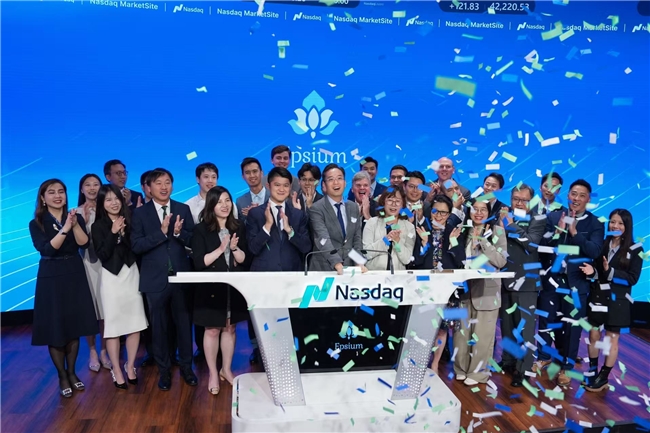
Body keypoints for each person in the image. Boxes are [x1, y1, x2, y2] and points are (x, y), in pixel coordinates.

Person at [28, 179, 99, 398]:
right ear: (43, 198)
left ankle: (72, 372)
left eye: (61, 191)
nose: (57, 196)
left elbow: (84, 243)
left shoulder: (75, 217)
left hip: (74, 272)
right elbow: (48, 250)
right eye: (52, 192)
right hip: (51, 276)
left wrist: (75, 225)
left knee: (73, 326)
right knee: (56, 327)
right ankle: (62, 376)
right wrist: (66, 228)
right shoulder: (37, 223)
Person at [131, 168, 197, 391]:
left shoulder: (182, 209)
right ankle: (164, 371)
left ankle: (187, 368)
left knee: (184, 325)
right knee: (158, 328)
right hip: (154, 279)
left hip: (181, 276)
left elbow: (193, 241)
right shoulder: (140, 214)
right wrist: (160, 233)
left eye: (167, 182)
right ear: (149, 188)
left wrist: (178, 234)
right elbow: (136, 245)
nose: (164, 187)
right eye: (158, 183)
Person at [535, 179, 604, 386]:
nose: (576, 198)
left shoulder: (595, 224)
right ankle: (543, 357)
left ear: (588, 199)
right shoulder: (554, 216)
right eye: (573, 194)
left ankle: (567, 366)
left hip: (576, 284)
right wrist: (557, 232)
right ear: (567, 195)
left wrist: (574, 233)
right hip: (551, 281)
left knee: (572, 326)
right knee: (546, 320)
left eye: (582, 195)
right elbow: (541, 245)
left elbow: (594, 251)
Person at [191, 186, 251, 395]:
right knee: (212, 329)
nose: (224, 205)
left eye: (227, 200)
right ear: (211, 206)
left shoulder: (239, 227)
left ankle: (226, 369)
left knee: (230, 328)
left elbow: (245, 260)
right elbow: (199, 262)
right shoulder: (201, 230)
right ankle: (213, 373)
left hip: (233, 288)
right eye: (219, 202)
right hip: (211, 287)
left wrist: (233, 248)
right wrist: (220, 249)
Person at [580, 209, 643, 392]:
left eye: (620, 223)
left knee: (611, 339)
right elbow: (598, 271)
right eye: (613, 222)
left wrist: (610, 272)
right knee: (593, 335)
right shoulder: (602, 244)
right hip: (598, 297)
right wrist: (593, 272)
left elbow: (632, 278)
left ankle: (603, 377)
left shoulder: (636, 249)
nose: (615, 226)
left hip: (618, 302)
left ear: (627, 226)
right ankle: (592, 370)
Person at [92, 184, 148, 389]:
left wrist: (124, 234)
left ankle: (130, 365)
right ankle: (116, 368)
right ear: (102, 203)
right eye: (108, 200)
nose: (114, 203)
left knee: (135, 323)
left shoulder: (130, 219)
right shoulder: (98, 226)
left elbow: (136, 248)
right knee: (114, 326)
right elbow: (103, 254)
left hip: (131, 274)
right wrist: (114, 233)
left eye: (116, 198)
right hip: (112, 278)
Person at [451, 199, 507, 386]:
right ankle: (461, 369)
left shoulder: (497, 231)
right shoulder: (463, 230)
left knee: (482, 336)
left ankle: (478, 374)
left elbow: (501, 261)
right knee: (461, 335)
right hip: (464, 290)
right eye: (475, 209)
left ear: (489, 213)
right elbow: (455, 257)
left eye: (483, 209)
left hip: (487, 292)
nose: (479, 213)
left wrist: (483, 242)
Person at [497, 184, 546, 387]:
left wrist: (510, 226)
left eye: (524, 200)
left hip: (526, 282)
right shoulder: (504, 214)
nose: (519, 203)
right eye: (516, 199)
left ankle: (524, 368)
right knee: (507, 326)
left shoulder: (538, 218)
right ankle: (508, 360)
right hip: (504, 278)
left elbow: (532, 244)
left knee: (525, 329)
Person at [412, 195, 462, 374]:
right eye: (435, 211)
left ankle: (435, 364)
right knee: (423, 328)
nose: (438, 216)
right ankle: (421, 361)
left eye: (443, 213)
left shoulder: (453, 232)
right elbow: (415, 261)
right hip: (424, 289)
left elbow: (460, 262)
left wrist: (453, 242)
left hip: (447, 289)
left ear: (449, 215)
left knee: (442, 330)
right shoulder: (422, 230)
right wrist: (425, 244)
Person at [76, 173, 111, 373]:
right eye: (87, 185)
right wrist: (84, 221)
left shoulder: (108, 209)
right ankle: (92, 351)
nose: (92, 188)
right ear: (81, 189)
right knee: (90, 311)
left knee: (106, 311)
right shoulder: (75, 212)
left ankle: (104, 351)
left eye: (96, 184)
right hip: (86, 265)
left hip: (107, 264)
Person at [247, 167, 312, 271]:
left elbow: (306, 247)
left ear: (290, 187)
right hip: (263, 273)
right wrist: (267, 226)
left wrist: (290, 231)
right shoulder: (255, 213)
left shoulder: (298, 214)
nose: (282, 189)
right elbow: (252, 249)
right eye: (277, 185)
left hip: (292, 273)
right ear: (268, 186)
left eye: (286, 185)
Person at [308, 164, 367, 274]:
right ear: (324, 185)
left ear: (345, 183)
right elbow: (323, 239)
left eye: (339, 178)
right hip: (324, 269)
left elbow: (356, 239)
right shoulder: (317, 208)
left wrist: (359, 261)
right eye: (331, 179)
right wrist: (337, 264)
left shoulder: (353, 207)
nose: (336, 182)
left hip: (350, 269)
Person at [362, 187, 415, 271]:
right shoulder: (371, 223)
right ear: (383, 202)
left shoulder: (409, 227)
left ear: (402, 205)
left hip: (398, 276)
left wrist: (397, 242)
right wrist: (385, 240)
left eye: (397, 201)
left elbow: (407, 259)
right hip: (374, 274)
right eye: (390, 200)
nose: (393, 204)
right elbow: (366, 254)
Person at [236, 157, 270, 224]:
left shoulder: (273, 197)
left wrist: (258, 214)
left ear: (261, 173)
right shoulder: (240, 201)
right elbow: (241, 227)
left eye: (255, 171)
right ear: (243, 177)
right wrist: (250, 217)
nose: (252, 175)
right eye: (247, 173)